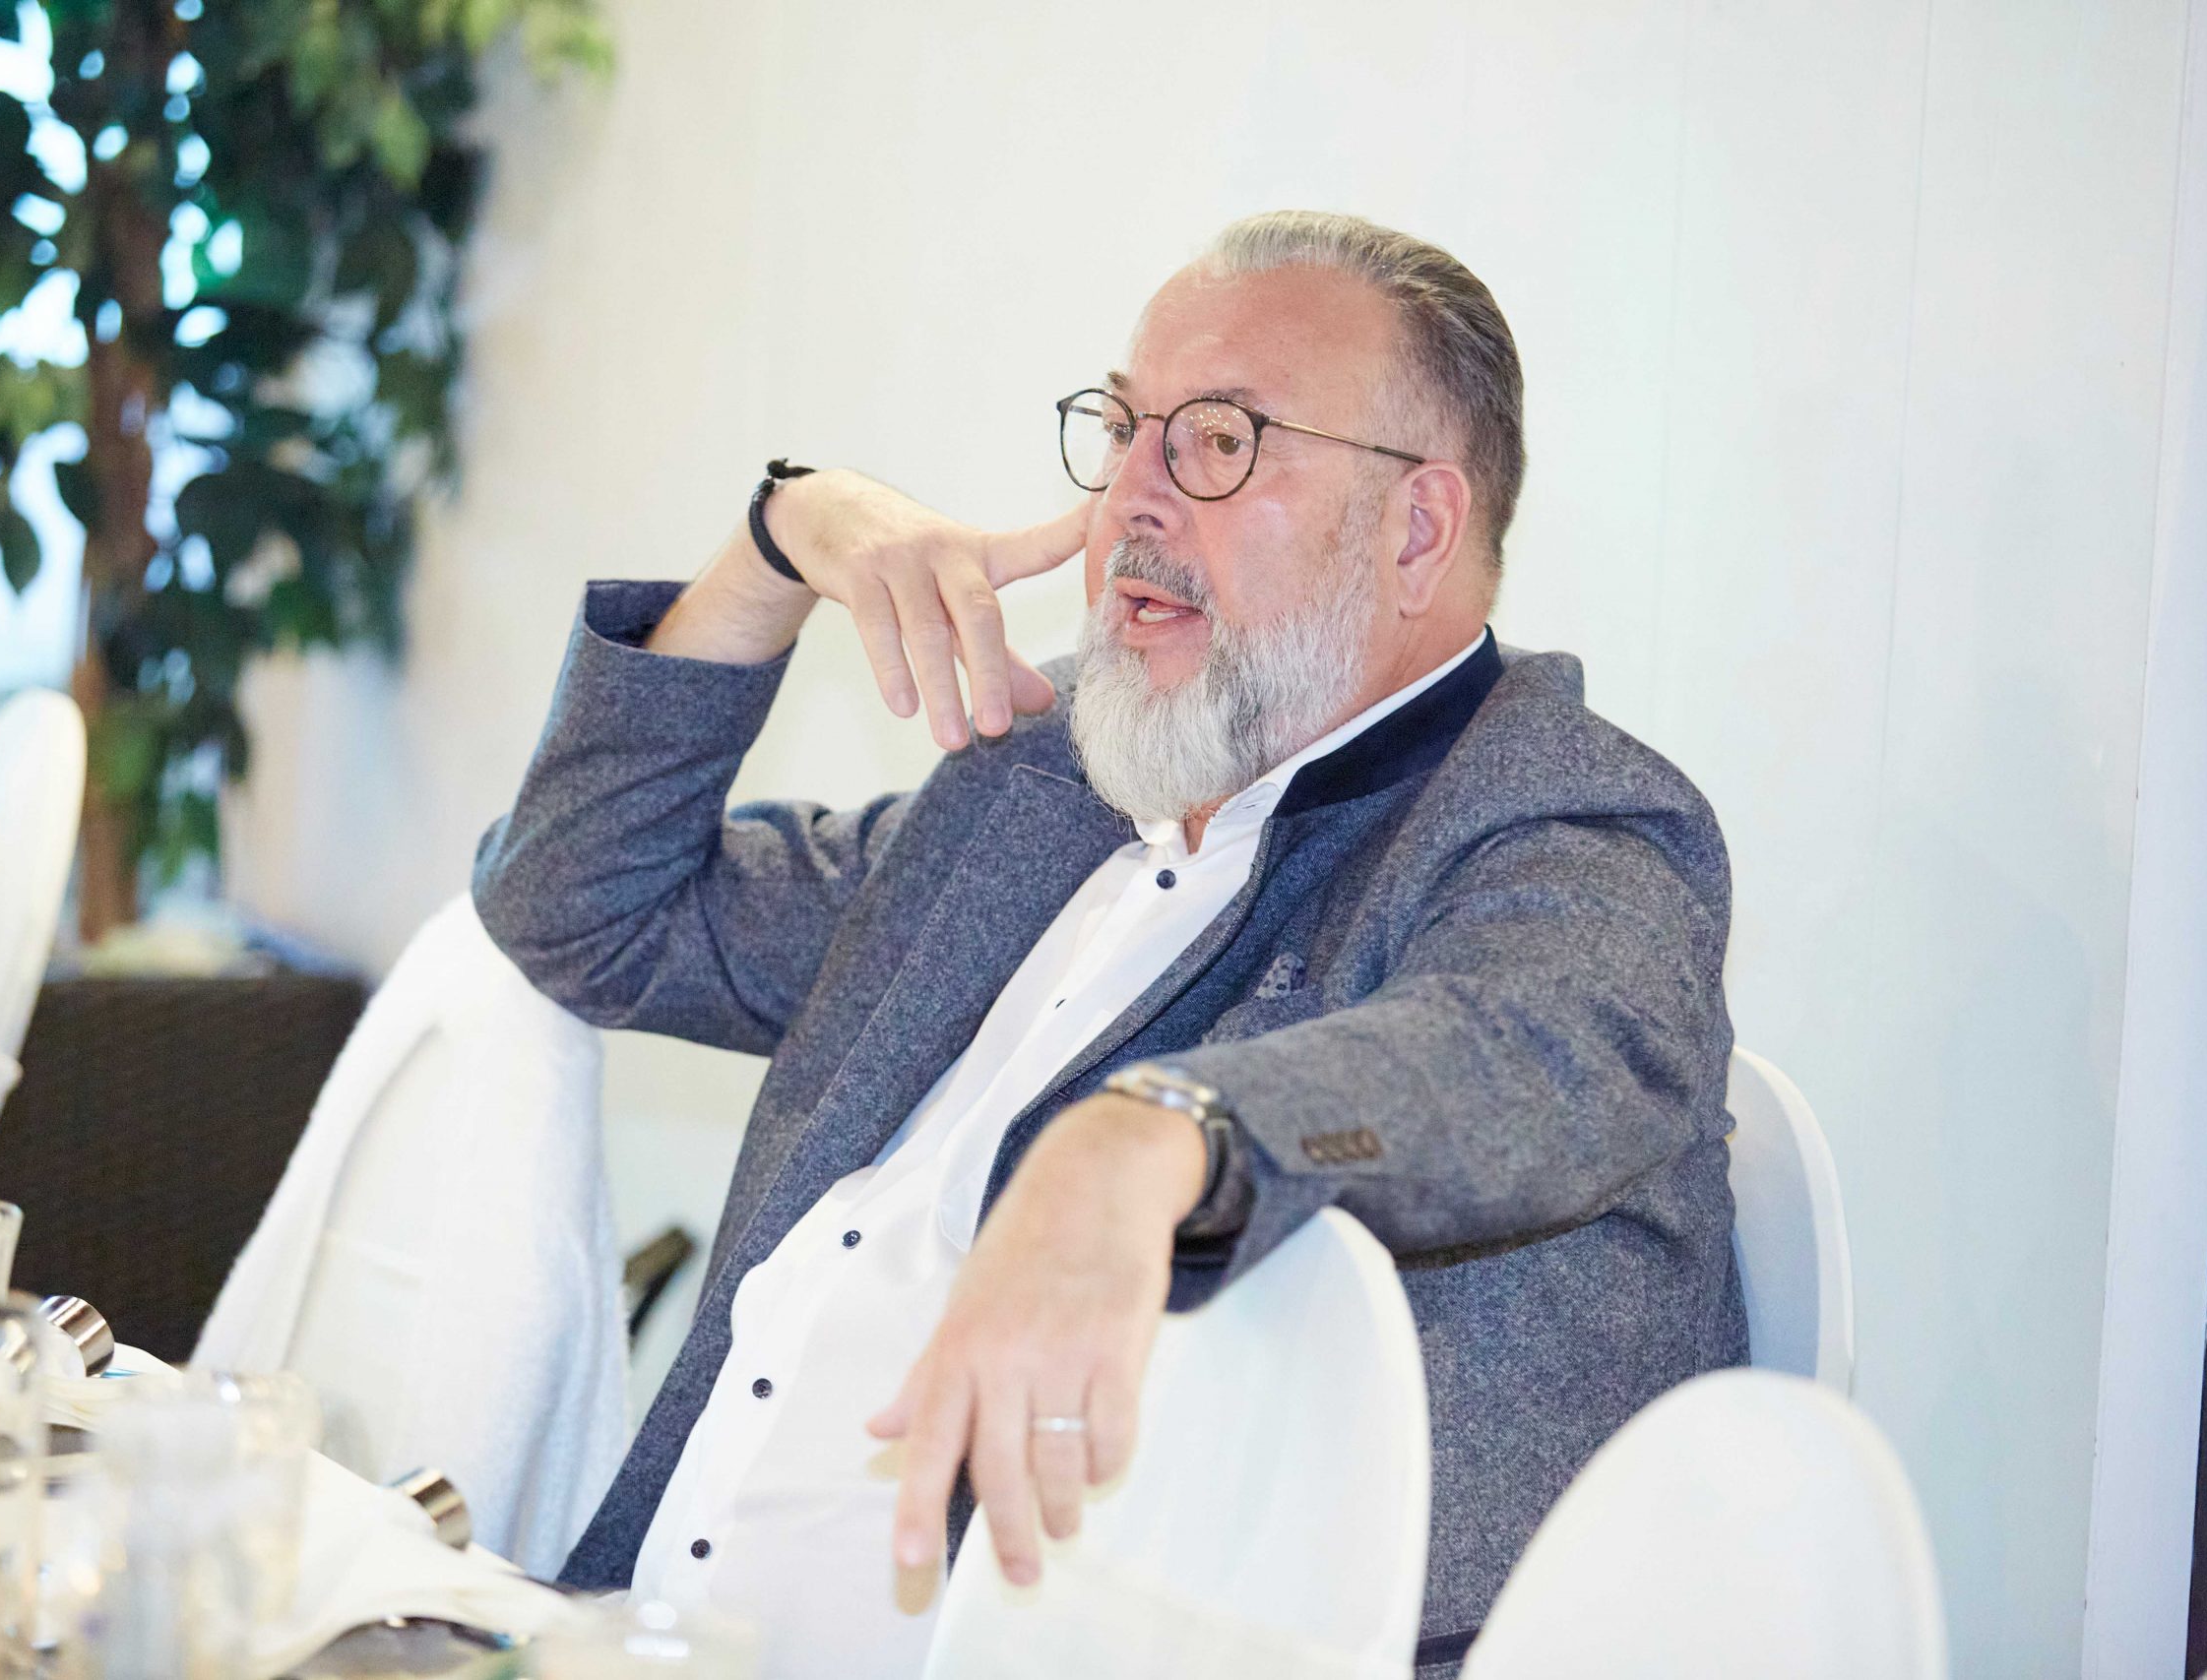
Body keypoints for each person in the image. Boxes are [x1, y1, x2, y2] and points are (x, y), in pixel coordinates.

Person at [473, 210, 1745, 1678]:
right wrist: (776, 548)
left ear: (1417, 529)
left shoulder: (1559, 815)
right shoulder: (1049, 789)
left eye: (1218, 442)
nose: (1127, 500)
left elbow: (1543, 1056)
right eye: (1127, 430)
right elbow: (577, 905)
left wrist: (1154, 1137)